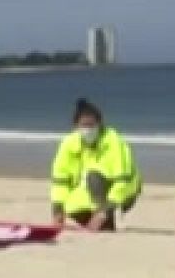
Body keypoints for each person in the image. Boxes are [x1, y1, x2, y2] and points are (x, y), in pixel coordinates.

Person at [50, 97, 143, 231]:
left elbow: (123, 181)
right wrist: (58, 210)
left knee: (94, 177)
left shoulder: (113, 141)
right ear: (76, 126)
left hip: (123, 189)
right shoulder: (68, 144)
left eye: (91, 125)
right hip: (88, 189)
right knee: (73, 207)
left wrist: (104, 211)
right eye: (84, 125)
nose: (88, 129)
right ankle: (99, 221)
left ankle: (109, 215)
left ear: (100, 125)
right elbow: (60, 181)